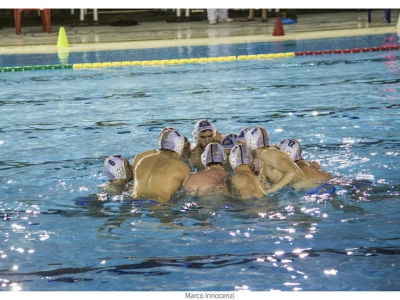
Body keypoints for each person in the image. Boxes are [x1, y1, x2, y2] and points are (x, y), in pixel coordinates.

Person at [246, 127, 335, 196]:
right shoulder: (264, 159)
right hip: (319, 189)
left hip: (316, 191)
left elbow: (293, 172)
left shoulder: (267, 154)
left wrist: (272, 189)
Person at [132, 128, 191, 203]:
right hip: (156, 205)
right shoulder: (182, 167)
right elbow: (186, 193)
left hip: (132, 202)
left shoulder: (142, 160)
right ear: (180, 146)